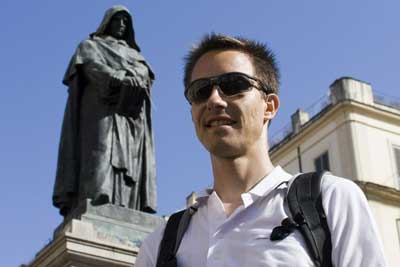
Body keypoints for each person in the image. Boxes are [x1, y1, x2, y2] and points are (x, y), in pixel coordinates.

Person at [135, 34, 387, 266]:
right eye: (200, 91)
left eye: (233, 85)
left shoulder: (332, 200)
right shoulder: (158, 245)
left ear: (270, 106)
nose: (214, 100)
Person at [53, 6, 156, 217]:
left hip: (130, 115)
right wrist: (120, 77)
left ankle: (128, 206)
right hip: (101, 110)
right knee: (100, 150)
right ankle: (97, 198)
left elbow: (146, 72)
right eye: (117, 20)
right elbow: (93, 68)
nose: (121, 25)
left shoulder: (134, 54)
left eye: (125, 22)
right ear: (107, 22)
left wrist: (134, 76)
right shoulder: (90, 46)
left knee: (131, 162)